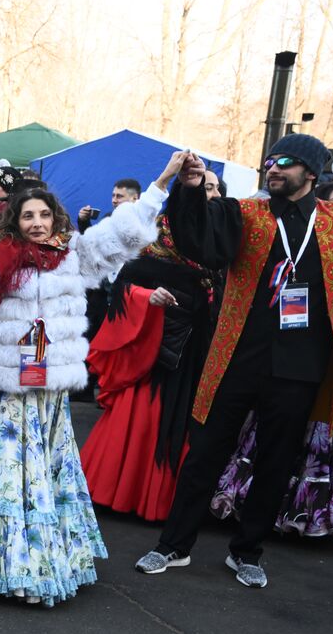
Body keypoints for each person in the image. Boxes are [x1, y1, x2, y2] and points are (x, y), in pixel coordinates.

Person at [0, 155, 180, 605]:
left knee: (40, 477)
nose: (38, 223)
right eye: (28, 215)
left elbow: (119, 235)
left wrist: (161, 184)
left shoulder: (74, 257)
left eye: (45, 214)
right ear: (15, 219)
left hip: (46, 391)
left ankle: (35, 561)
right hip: (0, 391)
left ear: (56, 218)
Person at [136, 138, 333, 588]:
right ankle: (173, 545)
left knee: (275, 461)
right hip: (238, 356)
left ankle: (246, 552)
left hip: (301, 366)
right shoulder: (245, 213)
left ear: (312, 172)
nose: (273, 169)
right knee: (204, 452)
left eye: (285, 163)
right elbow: (197, 241)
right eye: (269, 162)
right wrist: (188, 188)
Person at [79, 191, 226, 521]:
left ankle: (179, 502)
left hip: (200, 357)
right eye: (205, 189)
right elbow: (120, 292)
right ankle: (127, 493)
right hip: (153, 356)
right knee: (143, 424)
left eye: (215, 189)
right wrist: (148, 297)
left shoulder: (220, 246)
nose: (210, 195)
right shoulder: (153, 245)